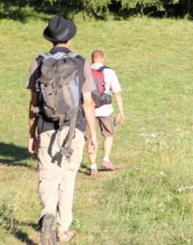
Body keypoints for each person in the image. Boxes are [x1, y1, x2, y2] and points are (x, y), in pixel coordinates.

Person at [27, 15, 97, 244]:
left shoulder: (38, 62)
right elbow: (87, 103)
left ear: (51, 38)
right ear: (71, 37)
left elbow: (34, 104)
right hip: (73, 128)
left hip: (46, 126)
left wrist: (31, 134)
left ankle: (47, 212)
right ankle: (62, 229)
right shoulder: (81, 62)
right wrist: (92, 135)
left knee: (48, 176)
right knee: (68, 178)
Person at [86, 50, 125, 175]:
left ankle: (92, 166)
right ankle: (106, 159)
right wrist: (120, 111)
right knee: (108, 134)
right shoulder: (109, 72)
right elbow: (117, 92)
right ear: (102, 58)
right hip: (105, 109)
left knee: (91, 138)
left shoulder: (84, 72)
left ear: (92, 59)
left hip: (89, 110)